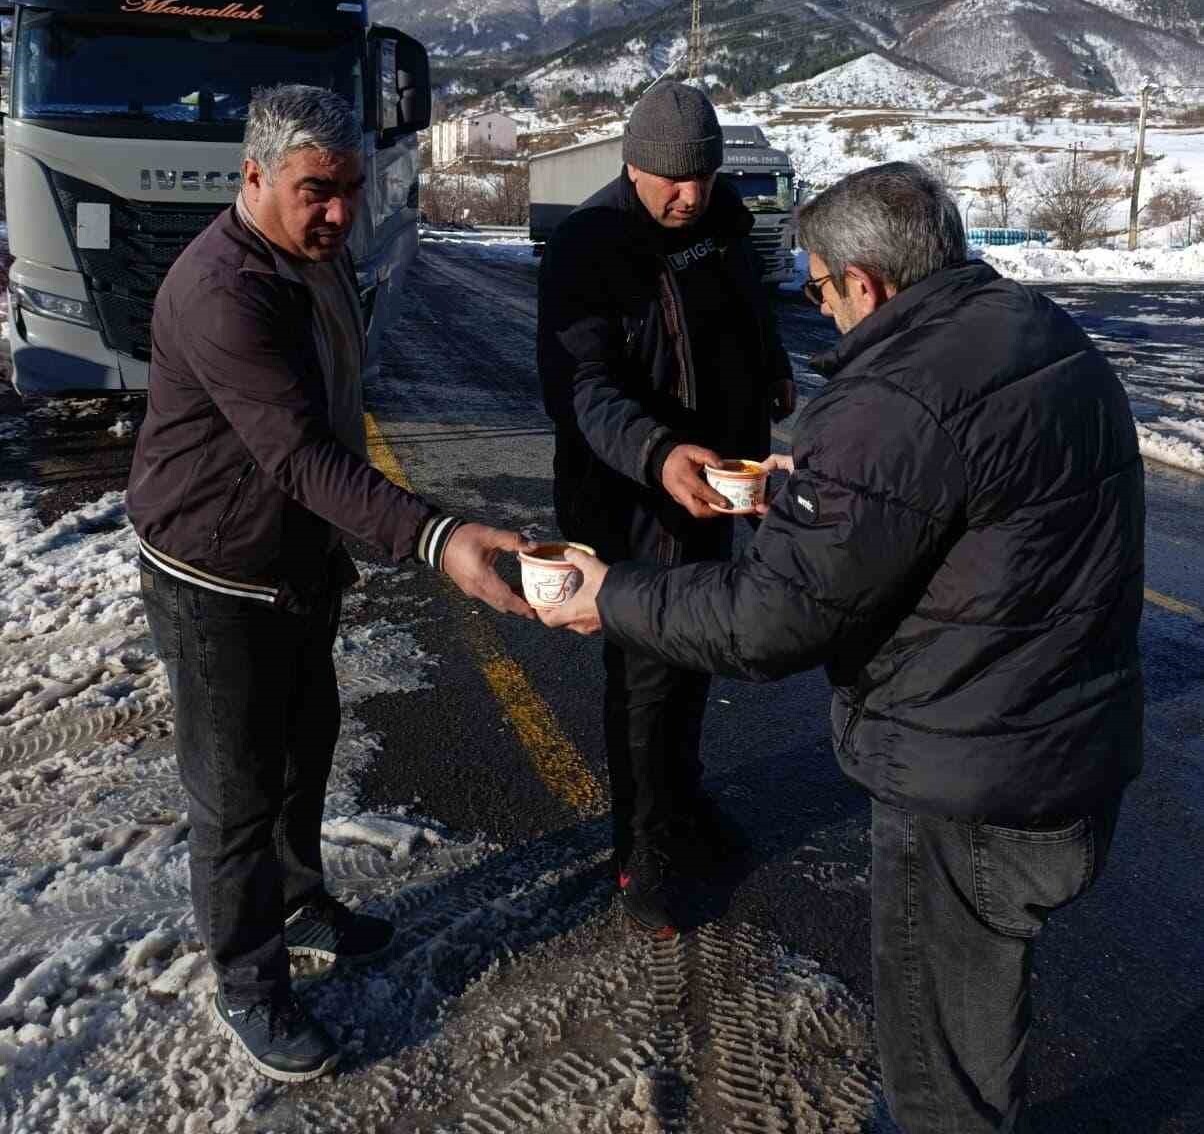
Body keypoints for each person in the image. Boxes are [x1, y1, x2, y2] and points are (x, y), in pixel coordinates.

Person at [541, 161, 1144, 1132]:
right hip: (1070, 750)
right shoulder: (1039, 333)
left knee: (937, 1062)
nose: (818, 308)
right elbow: (954, 506)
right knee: (978, 1020)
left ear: (864, 283)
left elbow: (769, 620)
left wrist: (610, 595)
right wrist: (800, 489)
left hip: (965, 782)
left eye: (819, 288)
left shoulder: (891, 399)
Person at [127, 84, 532, 1084]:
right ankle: (249, 981)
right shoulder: (224, 288)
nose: (341, 213)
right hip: (214, 572)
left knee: (306, 742)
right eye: (317, 190)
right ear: (253, 176)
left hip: (295, 557)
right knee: (234, 788)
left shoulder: (316, 252)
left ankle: (301, 903)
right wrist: (436, 537)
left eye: (350, 189)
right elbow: (300, 457)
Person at [537, 80, 794, 935]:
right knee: (645, 678)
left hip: (715, 492)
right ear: (632, 166)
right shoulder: (590, 248)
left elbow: (750, 318)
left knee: (696, 657)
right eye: (673, 180)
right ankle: (638, 849)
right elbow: (582, 391)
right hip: (629, 499)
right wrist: (655, 453)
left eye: (706, 177)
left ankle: (681, 806)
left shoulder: (722, 226)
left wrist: (775, 373)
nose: (691, 195)